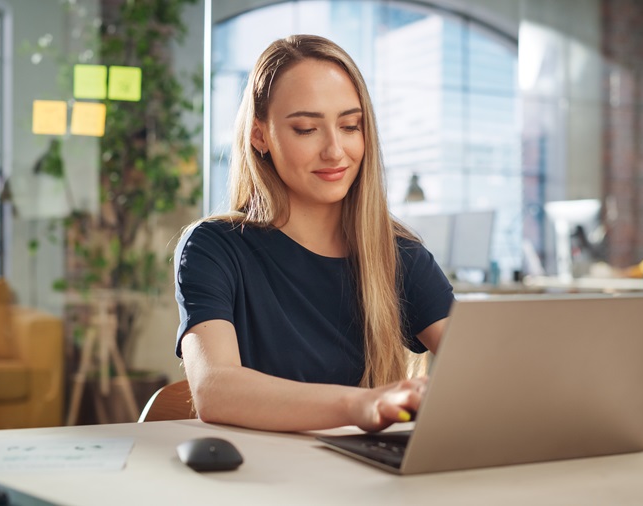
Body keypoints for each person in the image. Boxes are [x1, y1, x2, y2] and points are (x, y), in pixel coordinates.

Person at [173, 35, 454, 433]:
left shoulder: (399, 254)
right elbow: (215, 388)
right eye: (307, 129)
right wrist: (362, 403)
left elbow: (485, 377)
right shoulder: (213, 247)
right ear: (260, 135)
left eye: (350, 126)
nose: (335, 150)